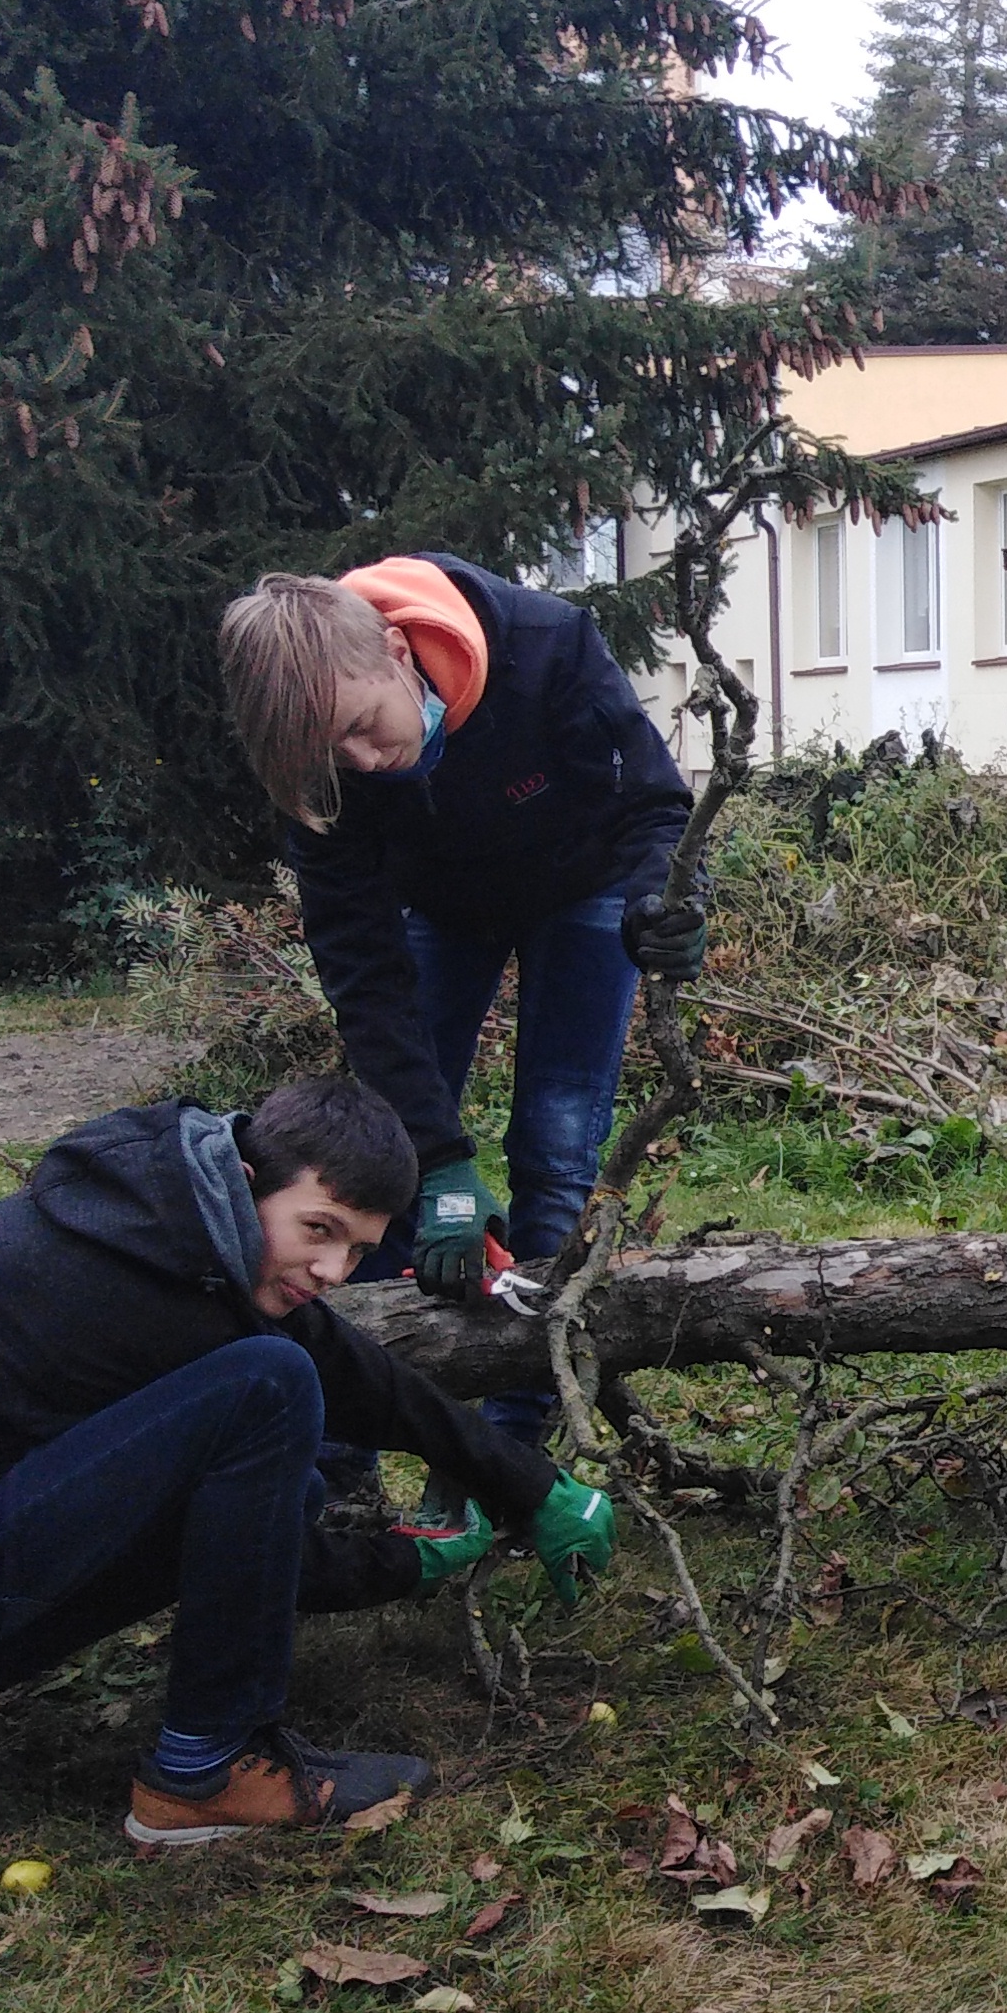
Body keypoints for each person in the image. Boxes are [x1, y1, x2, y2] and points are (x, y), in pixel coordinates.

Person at [0, 1077, 617, 1847]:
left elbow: (348, 1366)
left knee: (293, 1431)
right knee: (270, 1389)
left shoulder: (166, 1220)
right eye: (318, 1231)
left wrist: (528, 1482)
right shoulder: (136, 1291)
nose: (330, 1270)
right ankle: (205, 1767)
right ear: (250, 1185)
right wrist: (401, 1562)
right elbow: (231, 1525)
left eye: (358, 1251)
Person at [217, 556, 707, 1426]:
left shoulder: (548, 645)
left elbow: (653, 801)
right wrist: (437, 1161)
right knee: (380, 1153)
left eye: (366, 726)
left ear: (399, 650)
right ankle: (351, 1434)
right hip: (440, 907)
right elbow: (362, 970)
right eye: (337, 756)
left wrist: (658, 899)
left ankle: (520, 1423)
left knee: (554, 1148)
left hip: (585, 885)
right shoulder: (318, 769)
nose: (366, 763)